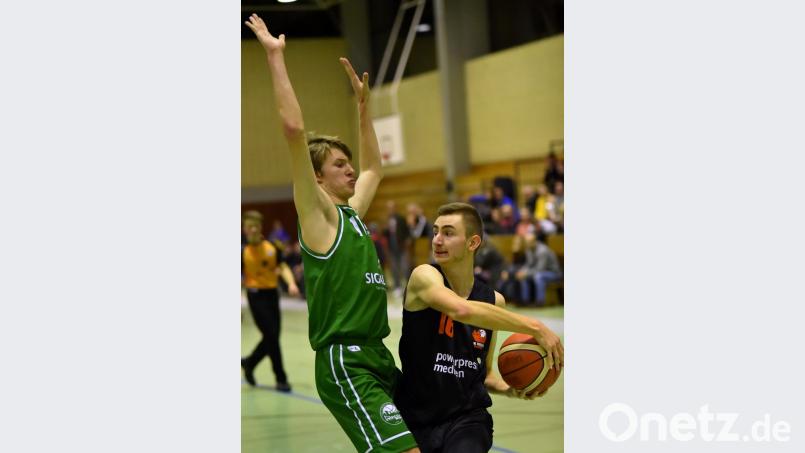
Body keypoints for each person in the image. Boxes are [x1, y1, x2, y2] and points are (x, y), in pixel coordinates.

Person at [245, 14, 419, 453]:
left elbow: (376, 167)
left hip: (379, 355)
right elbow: (293, 130)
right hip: (346, 361)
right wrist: (275, 57)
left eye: (349, 162)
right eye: (339, 165)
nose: (352, 169)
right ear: (317, 179)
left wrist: (363, 108)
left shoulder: (354, 213)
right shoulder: (319, 217)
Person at [395, 202, 564, 453]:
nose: (437, 240)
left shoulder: (494, 301)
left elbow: (483, 375)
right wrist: (535, 326)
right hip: (414, 418)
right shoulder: (424, 276)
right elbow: (461, 310)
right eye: (435, 231)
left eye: (448, 233)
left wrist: (510, 389)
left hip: (467, 420)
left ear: (472, 243)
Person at [241, 210, 300, 391]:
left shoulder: (272, 248)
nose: (252, 229)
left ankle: (249, 362)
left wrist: (291, 283)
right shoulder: (242, 252)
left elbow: (282, 266)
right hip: (255, 296)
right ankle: (281, 378)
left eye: (255, 226)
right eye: (249, 226)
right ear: (244, 229)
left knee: (272, 336)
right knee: (272, 337)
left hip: (272, 295)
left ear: (260, 228)